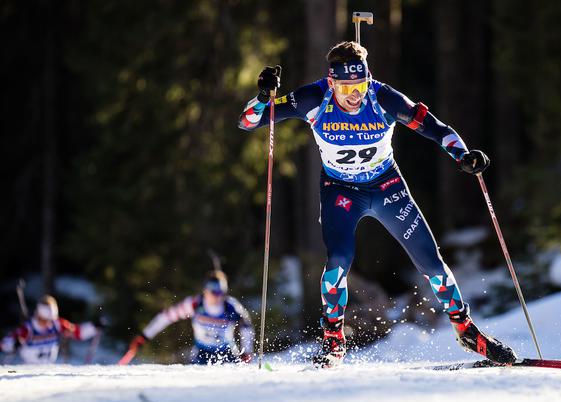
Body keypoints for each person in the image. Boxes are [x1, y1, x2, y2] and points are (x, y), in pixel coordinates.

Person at [239, 41, 518, 368]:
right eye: (347, 88)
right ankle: (334, 340)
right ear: (331, 83)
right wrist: (262, 98)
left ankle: (466, 331)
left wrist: (462, 154)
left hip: (386, 186)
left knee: (432, 263)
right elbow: (249, 122)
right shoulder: (314, 98)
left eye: (361, 86)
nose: (355, 95)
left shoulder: (383, 97)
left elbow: (434, 128)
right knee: (336, 266)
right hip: (341, 191)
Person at [127, 271, 255, 364]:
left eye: (220, 290)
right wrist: (144, 336)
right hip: (202, 353)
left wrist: (247, 351)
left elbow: (247, 327)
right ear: (205, 289)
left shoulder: (231, 306)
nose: (217, 295)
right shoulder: (195, 304)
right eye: (213, 290)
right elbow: (165, 317)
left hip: (227, 353)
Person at [1, 295, 100, 364]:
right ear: (39, 316)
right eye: (45, 320)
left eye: (50, 320)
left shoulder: (57, 324)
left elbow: (78, 332)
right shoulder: (28, 329)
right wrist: (13, 343)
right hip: (27, 371)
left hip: (48, 372)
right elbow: (5, 343)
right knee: (12, 372)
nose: (49, 323)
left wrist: (94, 326)